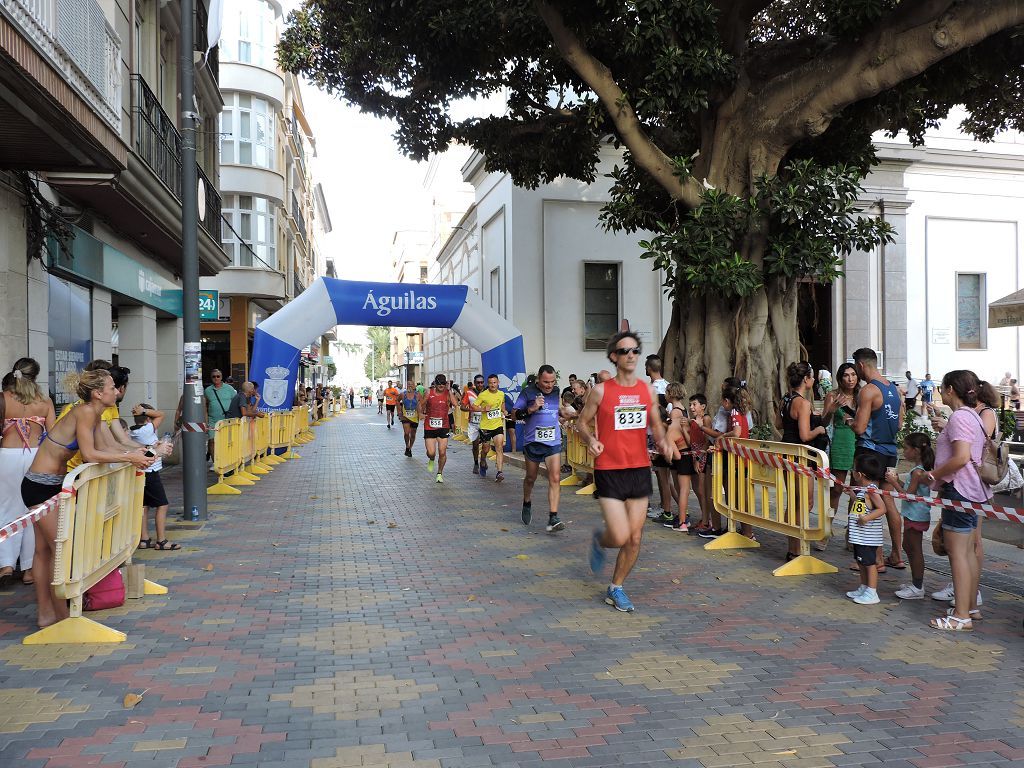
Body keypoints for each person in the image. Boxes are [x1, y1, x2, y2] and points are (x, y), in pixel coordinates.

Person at [22, 369, 153, 628]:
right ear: (98, 393)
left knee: (45, 552)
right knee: (59, 551)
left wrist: (143, 451)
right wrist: (131, 457)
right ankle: (61, 619)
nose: (117, 391)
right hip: (40, 486)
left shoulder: (95, 414)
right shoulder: (84, 412)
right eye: (112, 387)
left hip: (50, 485)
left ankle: (47, 615)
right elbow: (92, 455)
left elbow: (109, 448)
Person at [576, 332, 673, 613]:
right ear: (614, 357)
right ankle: (600, 538)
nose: (631, 355)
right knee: (618, 536)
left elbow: (656, 424)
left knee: (635, 537)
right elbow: (582, 423)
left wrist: (665, 441)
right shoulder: (601, 391)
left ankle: (616, 587)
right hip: (609, 469)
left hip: (639, 469)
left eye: (635, 350)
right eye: (625, 350)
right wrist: (590, 440)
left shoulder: (647, 390)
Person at [925, 370, 989, 631]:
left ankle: (960, 615)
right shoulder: (972, 416)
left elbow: (961, 457)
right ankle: (969, 607)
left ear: (950, 389)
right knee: (967, 552)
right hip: (971, 490)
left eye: (942, 387)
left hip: (959, 489)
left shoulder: (961, 417)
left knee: (958, 554)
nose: (940, 392)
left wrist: (934, 474)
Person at [848, 347, 904, 570]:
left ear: (861, 365)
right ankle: (897, 556)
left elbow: (861, 427)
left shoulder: (868, 391)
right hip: (890, 451)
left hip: (870, 450)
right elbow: (899, 423)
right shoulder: (893, 389)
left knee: (870, 502)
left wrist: (849, 423)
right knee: (888, 502)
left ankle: (877, 560)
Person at [0, 359, 54, 587]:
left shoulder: (3, 399)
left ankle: (6, 564)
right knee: (34, 512)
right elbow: (52, 437)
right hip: (36, 458)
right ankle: (30, 568)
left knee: (6, 508)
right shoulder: (45, 401)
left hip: (7, 457)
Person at [778, 361, 830, 559]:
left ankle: (793, 546)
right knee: (805, 502)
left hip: (786, 451)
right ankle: (796, 548)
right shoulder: (804, 403)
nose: (814, 379)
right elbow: (805, 435)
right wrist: (819, 429)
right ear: (806, 380)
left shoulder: (785, 399)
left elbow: (778, 422)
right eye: (812, 376)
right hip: (801, 456)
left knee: (793, 500)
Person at [515, 365, 573, 531]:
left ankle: (553, 517)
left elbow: (554, 410)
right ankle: (527, 501)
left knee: (555, 477)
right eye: (546, 382)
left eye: (552, 381)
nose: (549, 385)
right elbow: (514, 414)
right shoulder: (527, 392)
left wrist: (565, 413)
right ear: (539, 380)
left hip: (552, 442)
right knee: (531, 478)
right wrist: (531, 408)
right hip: (533, 442)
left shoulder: (556, 391)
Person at [886, 432, 934, 600]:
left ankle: (918, 586)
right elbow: (909, 491)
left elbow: (908, 495)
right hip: (913, 514)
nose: (903, 451)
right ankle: (916, 583)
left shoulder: (917, 472)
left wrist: (893, 483)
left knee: (914, 549)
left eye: (906, 448)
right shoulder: (918, 471)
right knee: (908, 545)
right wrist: (897, 480)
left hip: (916, 515)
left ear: (915, 450)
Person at [129, 404, 178, 551]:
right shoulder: (148, 429)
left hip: (139, 473)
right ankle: (161, 540)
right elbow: (161, 414)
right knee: (162, 505)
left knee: (144, 506)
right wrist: (144, 411)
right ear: (148, 419)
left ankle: (144, 539)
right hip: (150, 472)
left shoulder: (132, 432)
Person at [845, 452, 887, 605]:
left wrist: (866, 518)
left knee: (869, 563)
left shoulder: (871, 490)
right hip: (860, 536)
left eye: (853, 469)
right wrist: (852, 494)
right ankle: (864, 586)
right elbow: (862, 505)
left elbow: (882, 509)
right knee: (861, 562)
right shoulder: (863, 490)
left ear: (859, 474)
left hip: (868, 537)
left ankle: (872, 591)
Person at [825, 363, 859, 524]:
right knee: (836, 489)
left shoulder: (862, 395)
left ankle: (852, 532)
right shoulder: (832, 395)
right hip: (841, 443)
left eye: (853, 374)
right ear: (840, 378)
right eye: (846, 375)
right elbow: (823, 422)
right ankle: (826, 529)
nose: (850, 379)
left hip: (860, 442)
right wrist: (832, 409)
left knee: (857, 490)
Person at [646, 356, 675, 525]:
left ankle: (666, 508)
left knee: (660, 473)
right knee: (664, 474)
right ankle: (667, 506)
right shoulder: (669, 386)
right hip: (666, 431)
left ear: (649, 368)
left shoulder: (651, 389)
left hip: (653, 433)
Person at [665, 382, 697, 532]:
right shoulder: (684, 409)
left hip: (681, 451)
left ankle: (683, 521)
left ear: (671, 393)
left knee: (683, 489)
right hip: (686, 449)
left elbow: (675, 432)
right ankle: (684, 518)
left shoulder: (674, 412)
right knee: (687, 489)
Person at [420, 374, 459, 483]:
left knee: (442, 452)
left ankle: (439, 473)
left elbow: (456, 404)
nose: (441, 385)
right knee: (431, 452)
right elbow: (420, 404)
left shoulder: (447, 393)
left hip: (443, 426)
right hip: (430, 426)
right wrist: (420, 413)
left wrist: (450, 391)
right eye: (439, 383)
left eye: (443, 383)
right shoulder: (429, 392)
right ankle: (431, 459)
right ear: (435, 383)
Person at [472, 374, 508, 482]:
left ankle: (499, 472)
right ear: (488, 384)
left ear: (498, 383)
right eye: (491, 383)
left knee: (499, 448)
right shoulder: (483, 395)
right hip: (486, 426)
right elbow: (473, 406)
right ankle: (482, 460)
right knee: (485, 449)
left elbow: (502, 405)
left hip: (497, 425)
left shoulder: (501, 394)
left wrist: (504, 411)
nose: (493, 385)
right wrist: (483, 409)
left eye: (495, 382)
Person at [204, 369, 237, 461]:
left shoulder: (229, 389)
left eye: (218, 376)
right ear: (211, 378)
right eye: (213, 376)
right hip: (213, 420)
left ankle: (227, 460)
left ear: (221, 377)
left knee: (227, 442)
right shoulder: (207, 390)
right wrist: (206, 422)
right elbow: (205, 407)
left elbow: (236, 403)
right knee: (211, 441)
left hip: (227, 420)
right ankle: (215, 463)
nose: (216, 378)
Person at [461, 375, 485, 473]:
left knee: (485, 445)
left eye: (481, 382)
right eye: (478, 382)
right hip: (473, 422)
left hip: (485, 422)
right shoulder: (469, 393)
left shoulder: (487, 393)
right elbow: (462, 407)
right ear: (475, 383)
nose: (480, 384)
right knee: (475, 445)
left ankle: (483, 460)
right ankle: (476, 463)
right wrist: (470, 409)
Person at [397, 382, 420, 457]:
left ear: (414, 386)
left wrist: (421, 413)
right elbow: (397, 401)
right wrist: (399, 411)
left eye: (411, 384)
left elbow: (422, 403)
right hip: (405, 416)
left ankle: (410, 448)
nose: (410, 386)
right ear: (406, 386)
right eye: (408, 384)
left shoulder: (417, 394)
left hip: (415, 417)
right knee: (406, 433)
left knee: (413, 434)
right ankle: (407, 445)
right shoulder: (403, 394)